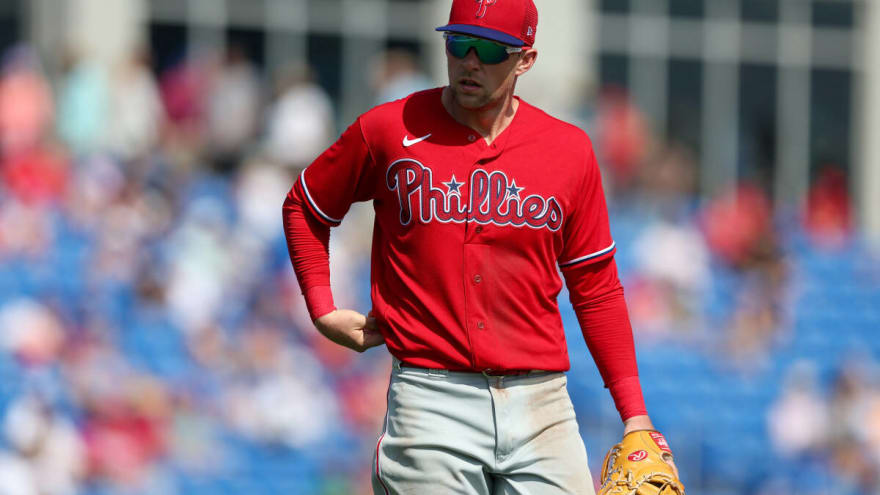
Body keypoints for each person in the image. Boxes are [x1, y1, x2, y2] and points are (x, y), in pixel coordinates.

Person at [282, 0, 680, 493]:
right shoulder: (389, 128)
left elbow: (595, 287)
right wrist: (321, 306)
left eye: (490, 50)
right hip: (432, 398)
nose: (470, 61)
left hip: (543, 405)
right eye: (458, 43)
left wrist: (634, 415)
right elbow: (305, 206)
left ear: (525, 60)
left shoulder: (568, 150)